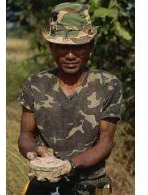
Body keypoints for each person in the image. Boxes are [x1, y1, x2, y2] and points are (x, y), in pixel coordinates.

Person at [17, 2, 123, 195]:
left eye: (79, 47)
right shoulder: (36, 83)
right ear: (50, 46)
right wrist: (34, 154)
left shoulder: (107, 84)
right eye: (62, 47)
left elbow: (106, 142)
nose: (70, 55)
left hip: (90, 185)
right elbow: (25, 135)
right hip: (44, 184)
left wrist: (69, 165)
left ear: (90, 46)